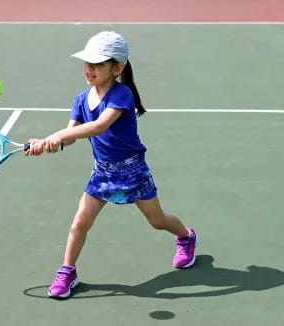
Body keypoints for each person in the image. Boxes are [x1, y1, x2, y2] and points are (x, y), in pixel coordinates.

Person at [25, 31, 198, 299]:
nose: (89, 69)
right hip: (103, 173)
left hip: (133, 171)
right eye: (86, 63)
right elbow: (70, 137)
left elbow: (98, 126)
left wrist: (58, 136)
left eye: (97, 64)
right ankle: (67, 271)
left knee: (157, 220)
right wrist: (47, 144)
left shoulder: (121, 94)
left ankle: (186, 237)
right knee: (80, 222)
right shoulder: (81, 100)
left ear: (117, 68)